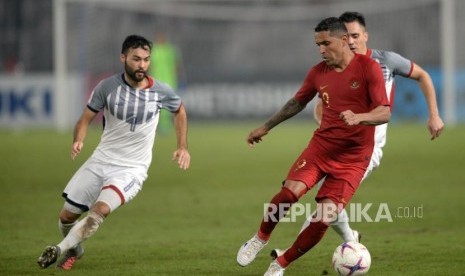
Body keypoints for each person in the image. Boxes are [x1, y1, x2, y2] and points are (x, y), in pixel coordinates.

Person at [270, 11, 445, 259]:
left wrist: (434, 115)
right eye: (347, 36)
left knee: (327, 202)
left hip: (366, 151)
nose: (351, 41)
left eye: (355, 35)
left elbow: (423, 76)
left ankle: (292, 252)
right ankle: (351, 239)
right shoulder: (334, 69)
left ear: (365, 35)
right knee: (327, 200)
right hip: (337, 147)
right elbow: (322, 105)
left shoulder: (385, 62)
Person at [236, 17, 391, 275]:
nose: (321, 50)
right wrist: (265, 127)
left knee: (324, 218)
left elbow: (384, 112)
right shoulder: (318, 72)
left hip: (353, 159)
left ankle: (279, 265)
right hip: (321, 148)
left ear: (344, 40)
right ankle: (259, 239)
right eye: (317, 44)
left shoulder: (368, 68)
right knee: (289, 194)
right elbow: (297, 103)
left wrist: (360, 117)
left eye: (325, 43)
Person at [37, 35, 190, 270]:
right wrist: (78, 139)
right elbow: (85, 119)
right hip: (100, 160)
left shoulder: (160, 90)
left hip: (131, 170)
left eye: (146, 60)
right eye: (136, 59)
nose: (142, 65)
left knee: (99, 211)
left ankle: (58, 249)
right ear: (123, 58)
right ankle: (74, 249)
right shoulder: (107, 87)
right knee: (66, 217)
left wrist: (182, 146)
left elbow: (179, 111)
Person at [150, 32, 184, 135]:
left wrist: (180, 77)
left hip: (169, 80)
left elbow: (177, 65)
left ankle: (165, 126)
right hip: (157, 81)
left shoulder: (170, 50)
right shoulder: (153, 50)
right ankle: (159, 125)